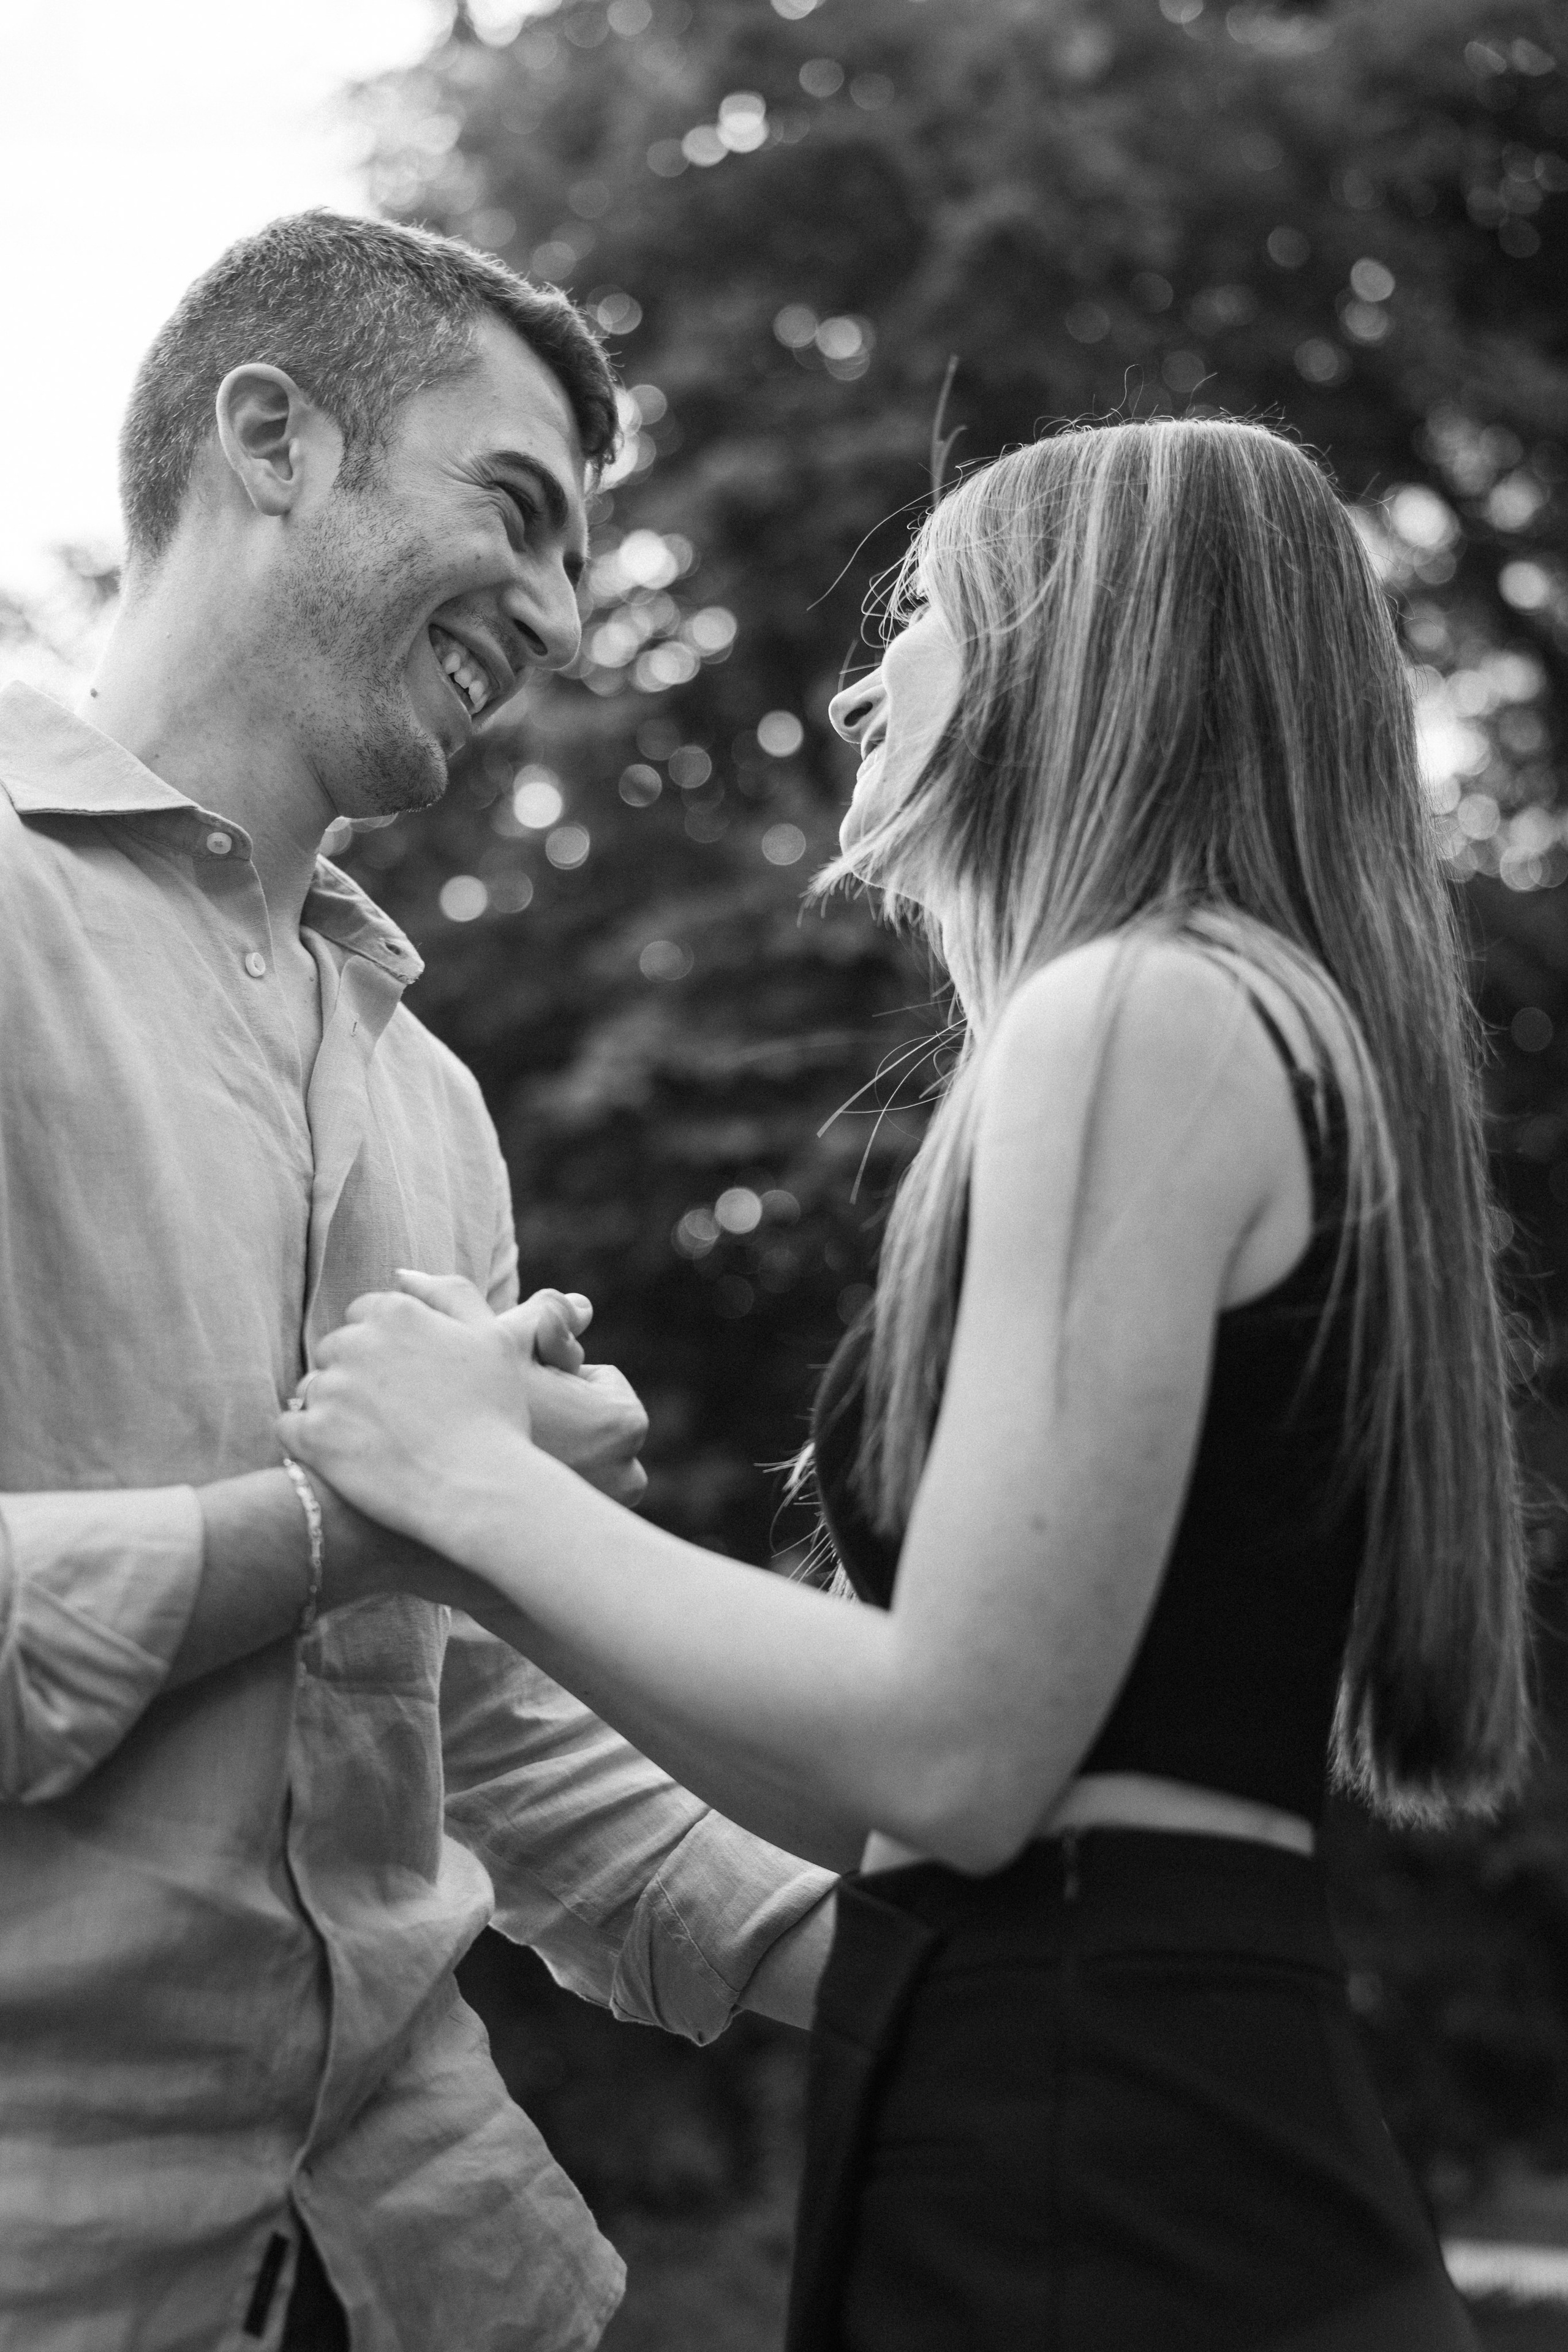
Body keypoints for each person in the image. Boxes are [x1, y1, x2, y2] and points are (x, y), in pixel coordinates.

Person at [284, 415, 1531, 2351]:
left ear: (1077, 645)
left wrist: (475, 1486)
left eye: (925, 611)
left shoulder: (1143, 1009)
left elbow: (954, 1753)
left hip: (1097, 2163)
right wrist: (495, 1544)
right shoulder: (1229, 1018)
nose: (867, 679)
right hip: (1110, 2098)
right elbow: (910, 1782)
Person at [0, 211, 842, 2352]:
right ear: (270, 436)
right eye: (518, 510)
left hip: (448, 2276)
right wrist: (346, 1524)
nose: (560, 618)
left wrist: (954, 1976)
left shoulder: (435, 1103)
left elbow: (465, 1717)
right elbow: (365, 1568)